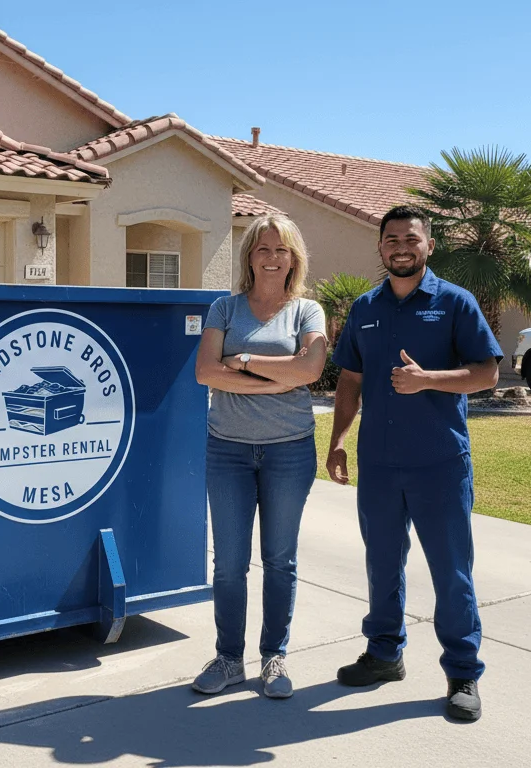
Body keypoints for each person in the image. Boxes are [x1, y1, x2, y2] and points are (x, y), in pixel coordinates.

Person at [327, 205, 501, 722]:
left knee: (452, 573)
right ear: (380, 248)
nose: (401, 246)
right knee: (383, 565)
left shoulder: (455, 303)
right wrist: (338, 440)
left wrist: (428, 380)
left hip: (439, 462)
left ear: (428, 245)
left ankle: (463, 672)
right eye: (391, 239)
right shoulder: (365, 308)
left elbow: (487, 373)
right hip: (379, 464)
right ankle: (384, 654)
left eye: (411, 238)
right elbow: (350, 381)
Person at [191, 214, 328, 699]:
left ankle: (275, 658)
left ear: (295, 258)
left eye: (282, 250)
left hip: (289, 451)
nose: (273, 258)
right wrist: (280, 375)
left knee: (279, 559)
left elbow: (310, 369)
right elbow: (205, 373)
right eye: (263, 249)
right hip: (227, 449)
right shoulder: (224, 309)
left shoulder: (308, 311)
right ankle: (230, 659)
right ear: (249, 256)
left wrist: (244, 361)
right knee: (229, 563)